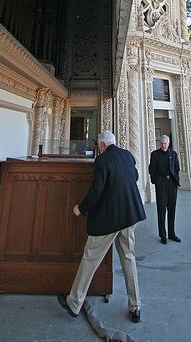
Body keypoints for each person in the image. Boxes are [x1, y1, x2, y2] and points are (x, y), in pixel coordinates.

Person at [57, 131, 146, 323]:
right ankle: (135, 306)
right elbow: (135, 177)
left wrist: (81, 208)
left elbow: (96, 190)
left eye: (99, 146)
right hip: (130, 216)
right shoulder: (128, 155)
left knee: (90, 258)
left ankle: (74, 303)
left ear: (103, 145)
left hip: (110, 219)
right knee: (129, 259)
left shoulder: (103, 160)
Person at [149, 135, 181, 244]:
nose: (163, 146)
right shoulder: (155, 154)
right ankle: (163, 234)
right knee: (161, 210)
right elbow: (151, 169)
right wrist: (156, 181)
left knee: (172, 209)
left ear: (168, 143)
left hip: (171, 184)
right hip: (161, 185)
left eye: (165, 144)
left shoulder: (173, 154)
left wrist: (176, 179)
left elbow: (177, 168)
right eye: (161, 144)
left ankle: (172, 233)